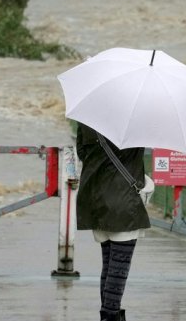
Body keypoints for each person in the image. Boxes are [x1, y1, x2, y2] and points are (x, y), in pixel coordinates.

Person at [75, 122, 151, 321]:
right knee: (118, 270)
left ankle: (108, 313)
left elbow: (82, 153)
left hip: (96, 200)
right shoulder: (135, 122)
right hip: (123, 202)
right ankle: (110, 315)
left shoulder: (87, 120)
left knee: (109, 266)